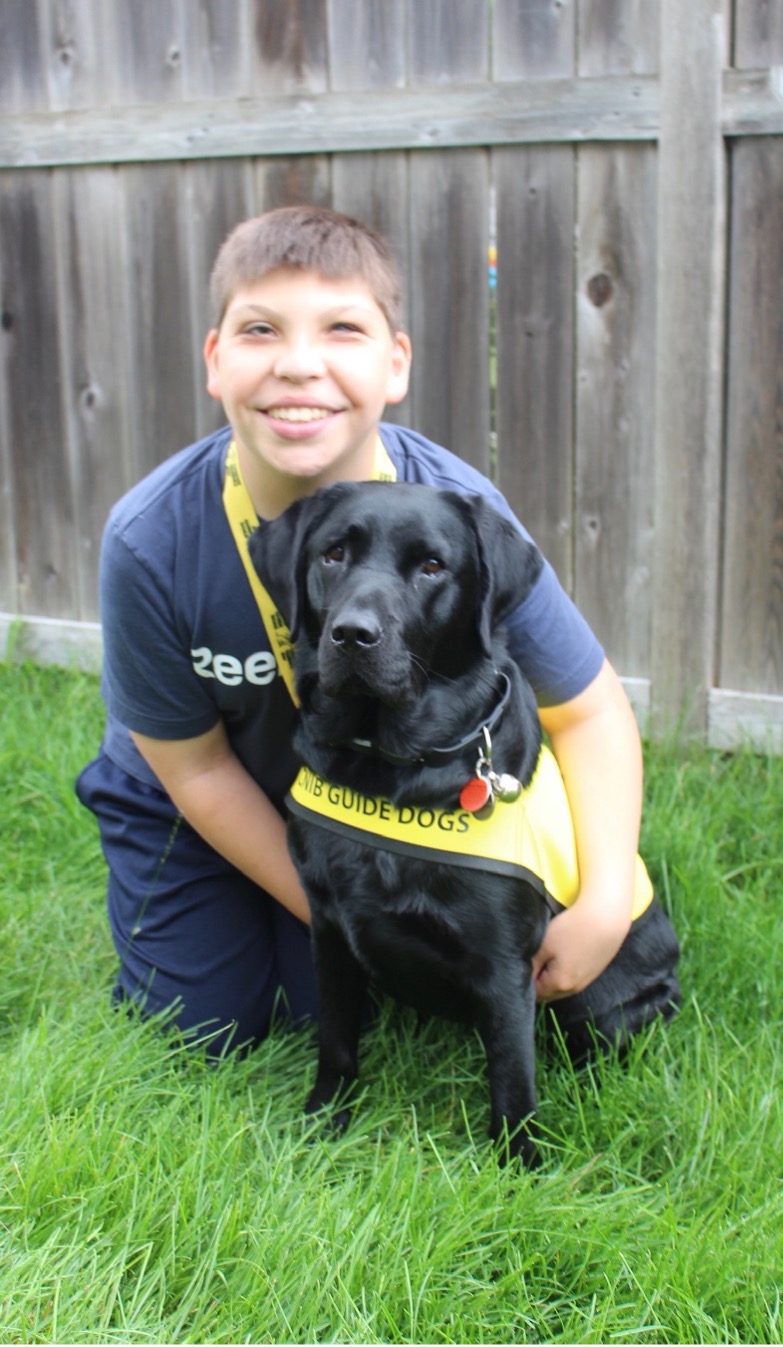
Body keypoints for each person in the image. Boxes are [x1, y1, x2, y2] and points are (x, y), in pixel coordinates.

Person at [76, 204, 645, 1056]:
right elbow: (194, 771)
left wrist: (602, 900)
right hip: (207, 794)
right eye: (260, 329)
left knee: (352, 1007)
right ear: (214, 359)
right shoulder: (150, 539)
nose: (299, 365)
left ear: (395, 363)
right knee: (209, 1026)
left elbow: (589, 711)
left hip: (378, 792)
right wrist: (342, 909)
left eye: (342, 328)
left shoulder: (457, 523)